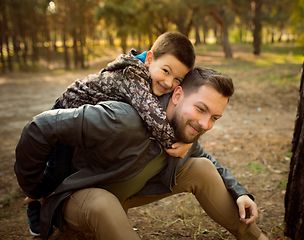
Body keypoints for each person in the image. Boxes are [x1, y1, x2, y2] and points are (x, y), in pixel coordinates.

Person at [15, 67, 268, 240]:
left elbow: (206, 159)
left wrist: (239, 192)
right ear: (177, 95)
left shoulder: (181, 130)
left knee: (202, 167)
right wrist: (34, 190)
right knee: (103, 205)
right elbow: (40, 127)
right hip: (78, 198)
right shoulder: (123, 118)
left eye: (215, 117)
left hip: (122, 193)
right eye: (201, 109)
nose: (205, 124)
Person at [24, 31, 196, 236]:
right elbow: (155, 120)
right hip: (68, 114)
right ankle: (35, 202)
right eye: (166, 71)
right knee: (55, 174)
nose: (169, 82)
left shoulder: (148, 75)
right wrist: (180, 142)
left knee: (71, 171)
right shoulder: (132, 75)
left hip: (89, 124)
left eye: (177, 79)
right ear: (149, 59)